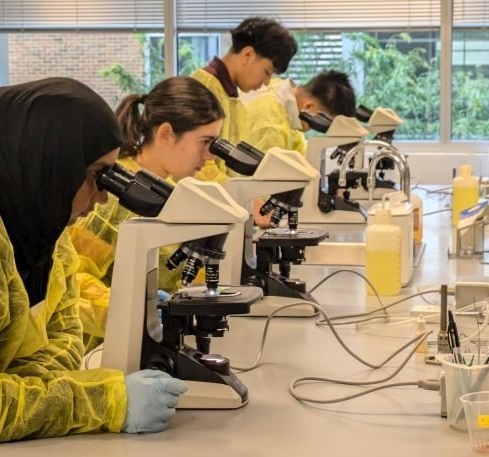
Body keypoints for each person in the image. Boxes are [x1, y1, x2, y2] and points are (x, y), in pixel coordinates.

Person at [0, 77, 187, 456]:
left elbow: (65, 334)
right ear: (52, 163)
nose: (104, 198)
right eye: (95, 176)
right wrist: (104, 401)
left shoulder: (36, 211)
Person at [68, 76, 224, 347]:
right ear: (166, 134)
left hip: (154, 341)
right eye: (205, 142)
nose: (212, 156)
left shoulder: (172, 189)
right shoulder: (112, 197)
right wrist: (134, 310)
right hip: (105, 350)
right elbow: (72, 282)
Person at [242, 71, 356, 227]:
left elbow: (302, 163)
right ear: (308, 107)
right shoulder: (271, 125)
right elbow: (262, 193)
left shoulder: (287, 105)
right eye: (322, 126)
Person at [192, 16, 297, 183]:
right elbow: (198, 167)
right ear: (247, 54)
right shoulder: (204, 89)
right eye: (267, 72)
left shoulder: (232, 97)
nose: (267, 83)